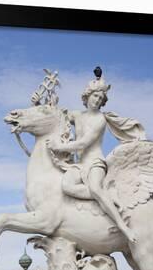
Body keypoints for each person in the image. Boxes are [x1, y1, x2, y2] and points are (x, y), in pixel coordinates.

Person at [46, 67, 145, 244]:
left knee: (95, 188)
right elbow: (56, 116)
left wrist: (59, 146)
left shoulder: (100, 119)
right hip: (79, 164)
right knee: (66, 186)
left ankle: (123, 226)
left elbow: (84, 143)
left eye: (100, 98)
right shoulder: (77, 115)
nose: (97, 100)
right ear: (87, 96)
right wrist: (45, 101)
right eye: (95, 96)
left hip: (95, 163)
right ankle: (110, 196)